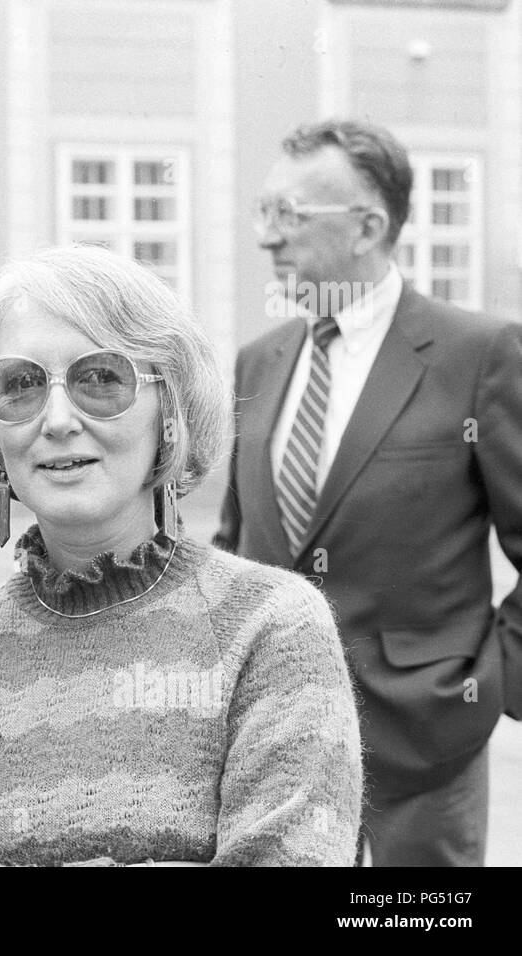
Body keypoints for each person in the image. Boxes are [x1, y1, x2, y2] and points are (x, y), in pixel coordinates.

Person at [0, 244, 362, 867]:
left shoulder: (270, 626)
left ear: (167, 410)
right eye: (20, 386)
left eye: (102, 379)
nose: (58, 419)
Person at [214, 119, 522, 866]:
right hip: (272, 750)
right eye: (264, 213)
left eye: (289, 215)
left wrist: (489, 683)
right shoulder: (259, 363)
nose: (268, 238)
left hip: (423, 748)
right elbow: (235, 544)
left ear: (367, 227)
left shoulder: (477, 355)